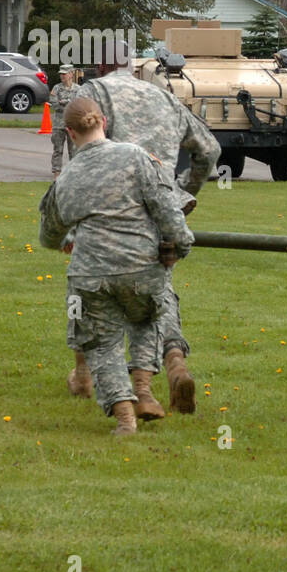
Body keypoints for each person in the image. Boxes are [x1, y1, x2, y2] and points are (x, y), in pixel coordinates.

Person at [71, 40, 219, 413]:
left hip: (112, 212)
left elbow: (82, 159)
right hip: (163, 210)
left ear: (101, 66)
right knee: (157, 293)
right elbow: (209, 150)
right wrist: (182, 194)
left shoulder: (94, 93)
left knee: (89, 292)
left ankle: (84, 376)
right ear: (132, 67)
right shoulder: (164, 98)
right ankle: (173, 361)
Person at [39, 98, 194, 435]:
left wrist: (68, 240)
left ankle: (125, 418)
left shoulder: (67, 177)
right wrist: (181, 244)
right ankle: (143, 390)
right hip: (142, 266)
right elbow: (167, 208)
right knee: (147, 319)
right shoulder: (136, 157)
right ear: (104, 122)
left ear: (69, 132)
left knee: (101, 343)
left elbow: (50, 233)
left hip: (91, 273)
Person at [49, 65, 81, 177]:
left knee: (74, 150)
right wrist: (68, 104)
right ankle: (56, 171)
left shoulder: (78, 89)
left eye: (64, 73)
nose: (62, 76)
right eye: (61, 74)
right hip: (59, 124)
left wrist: (65, 102)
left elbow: (79, 105)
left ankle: (74, 171)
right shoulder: (56, 88)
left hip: (73, 124)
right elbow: (54, 104)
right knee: (58, 149)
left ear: (71, 74)